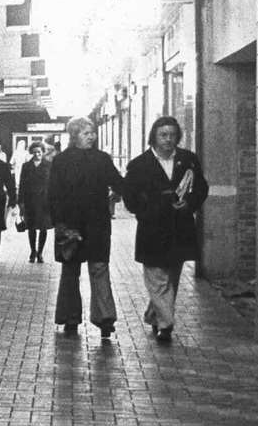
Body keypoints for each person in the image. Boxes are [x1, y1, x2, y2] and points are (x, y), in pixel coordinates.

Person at [122, 116, 209, 343]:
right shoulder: (139, 165)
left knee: (171, 277)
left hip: (180, 228)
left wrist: (189, 204)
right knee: (157, 278)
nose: (168, 139)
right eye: (163, 135)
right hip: (152, 229)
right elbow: (129, 197)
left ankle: (155, 314)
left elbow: (201, 187)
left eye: (172, 135)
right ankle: (166, 324)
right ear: (154, 136)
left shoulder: (188, 160)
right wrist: (146, 211)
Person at [48, 116, 129, 342]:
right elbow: (54, 194)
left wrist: (128, 190)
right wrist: (60, 225)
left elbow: (117, 182)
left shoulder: (95, 159)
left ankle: (93, 319)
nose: (91, 136)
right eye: (86, 132)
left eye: (92, 132)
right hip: (79, 224)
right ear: (74, 136)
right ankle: (87, 318)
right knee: (78, 270)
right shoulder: (65, 160)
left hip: (88, 224)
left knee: (93, 268)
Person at [17, 140, 53, 263]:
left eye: (39, 152)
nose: (37, 154)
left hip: (45, 202)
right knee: (31, 227)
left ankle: (40, 252)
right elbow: (22, 184)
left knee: (43, 228)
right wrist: (20, 202)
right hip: (30, 201)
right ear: (31, 152)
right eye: (35, 152)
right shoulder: (26, 166)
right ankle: (33, 251)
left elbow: (54, 184)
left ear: (43, 152)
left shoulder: (49, 165)